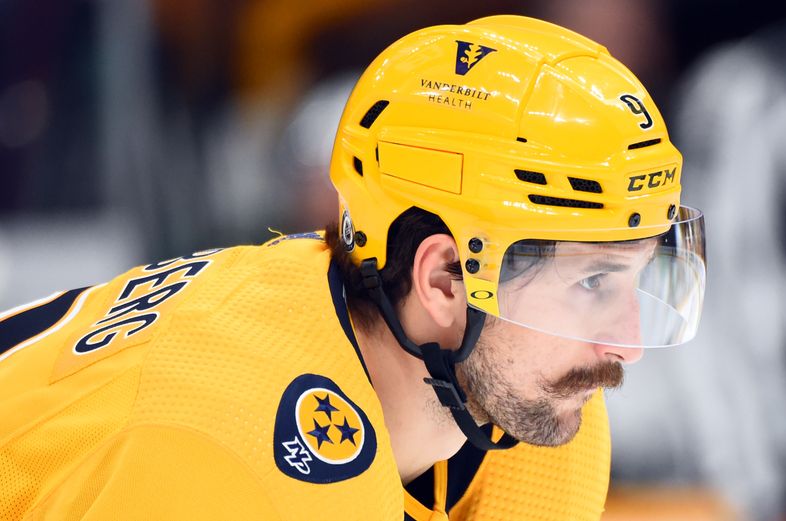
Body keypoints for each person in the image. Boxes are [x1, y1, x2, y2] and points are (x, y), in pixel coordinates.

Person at [0, 15, 706, 521]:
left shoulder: (522, 405)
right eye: (592, 284)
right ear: (442, 281)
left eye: (637, 274)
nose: (628, 343)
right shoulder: (230, 461)